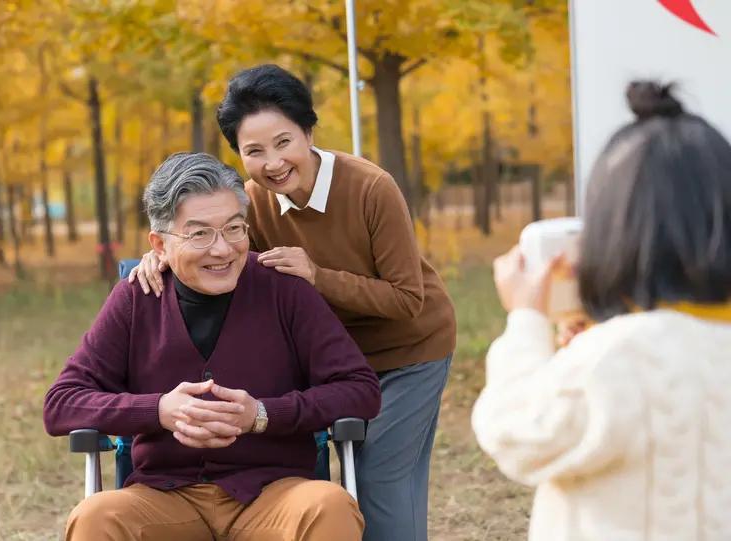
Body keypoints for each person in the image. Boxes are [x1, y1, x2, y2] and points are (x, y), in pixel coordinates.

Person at [129, 64, 457, 541]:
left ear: (308, 132)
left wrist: (318, 277)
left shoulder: (371, 188)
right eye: (254, 151)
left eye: (283, 142)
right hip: (328, 360)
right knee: (336, 484)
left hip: (407, 351)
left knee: (380, 480)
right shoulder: (252, 203)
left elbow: (408, 299)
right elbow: (222, 251)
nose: (273, 162)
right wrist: (163, 254)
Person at [43, 152, 381, 540]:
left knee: (330, 505)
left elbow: (360, 389)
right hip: (165, 498)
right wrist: (159, 410)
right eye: (200, 234)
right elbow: (62, 403)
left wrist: (262, 414)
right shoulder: (137, 298)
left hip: (274, 495)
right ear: (160, 244)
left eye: (234, 228)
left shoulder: (285, 289)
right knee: (96, 515)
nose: (222, 249)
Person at [472, 81, 731, 541]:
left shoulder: (621, 356)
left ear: (615, 228)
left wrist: (526, 320)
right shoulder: (616, 349)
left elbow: (516, 432)